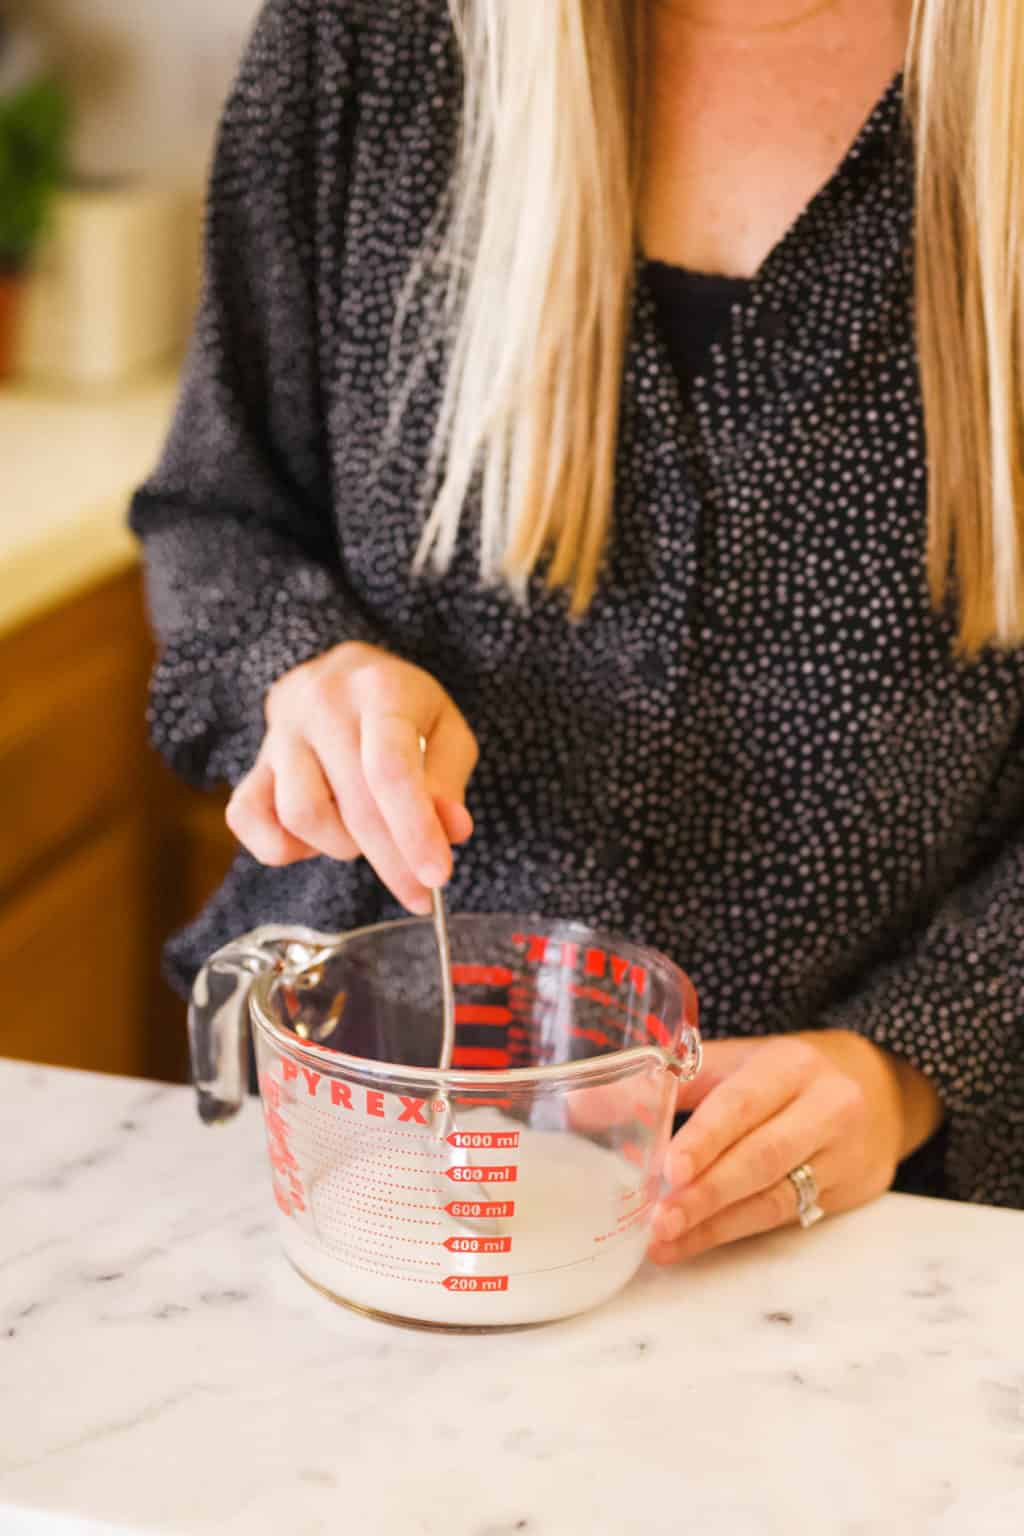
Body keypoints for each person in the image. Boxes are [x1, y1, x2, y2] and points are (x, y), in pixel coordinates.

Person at [130, 0, 1024, 1257]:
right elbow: (217, 508)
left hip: (877, 1245)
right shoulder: (370, 38)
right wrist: (311, 671)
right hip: (364, 1186)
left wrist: (908, 1063)